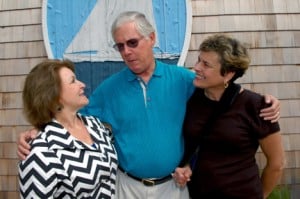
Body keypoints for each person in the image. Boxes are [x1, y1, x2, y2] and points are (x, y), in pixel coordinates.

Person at [17, 12, 280, 199]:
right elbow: (67, 117)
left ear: (152, 38)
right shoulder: (109, 89)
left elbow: (223, 91)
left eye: (132, 43)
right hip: (126, 187)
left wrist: (266, 100)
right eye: (120, 46)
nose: (126, 51)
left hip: (173, 188)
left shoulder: (186, 80)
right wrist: (37, 131)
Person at [173, 34, 285, 199]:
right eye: (198, 60)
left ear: (228, 74)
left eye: (206, 64)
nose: (196, 67)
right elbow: (200, 146)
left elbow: (277, 163)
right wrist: (187, 165)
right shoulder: (192, 99)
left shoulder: (256, 106)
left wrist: (260, 195)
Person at [18, 60, 118, 198]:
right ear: (54, 96)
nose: (82, 85)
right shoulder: (40, 154)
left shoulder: (95, 125)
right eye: (73, 81)